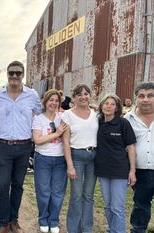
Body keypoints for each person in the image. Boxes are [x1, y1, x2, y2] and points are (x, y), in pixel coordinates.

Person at [0, 60, 42, 233]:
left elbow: (42, 115)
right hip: (3, 147)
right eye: (11, 73)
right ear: (7, 74)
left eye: (18, 73)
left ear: (23, 75)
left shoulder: (32, 95)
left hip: (24, 147)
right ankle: (3, 222)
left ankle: (14, 221)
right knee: (3, 185)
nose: (14, 76)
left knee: (18, 185)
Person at [125, 81, 154, 233]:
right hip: (139, 172)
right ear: (136, 98)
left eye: (150, 95)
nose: (145, 99)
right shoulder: (127, 119)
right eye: (141, 96)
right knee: (140, 206)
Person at [94, 94, 137, 233]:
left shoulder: (123, 123)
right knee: (107, 205)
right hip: (103, 170)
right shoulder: (98, 122)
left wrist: (132, 171)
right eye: (106, 103)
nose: (108, 106)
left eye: (112, 104)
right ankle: (112, 229)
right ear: (101, 105)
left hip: (120, 170)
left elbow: (131, 147)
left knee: (117, 207)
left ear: (117, 107)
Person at [61, 84, 98, 233]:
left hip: (93, 156)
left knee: (89, 195)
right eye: (79, 94)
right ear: (74, 98)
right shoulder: (67, 115)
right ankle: (73, 229)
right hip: (76, 156)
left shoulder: (96, 114)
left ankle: (87, 228)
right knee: (76, 195)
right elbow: (65, 141)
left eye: (86, 94)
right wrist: (70, 165)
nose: (83, 97)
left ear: (90, 95)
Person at [32, 89, 68, 233]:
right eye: (50, 100)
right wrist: (57, 133)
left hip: (60, 159)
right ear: (45, 102)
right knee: (43, 191)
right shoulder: (38, 119)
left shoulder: (64, 117)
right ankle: (43, 219)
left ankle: (54, 220)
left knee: (58, 192)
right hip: (43, 159)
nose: (53, 103)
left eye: (56, 101)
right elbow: (38, 140)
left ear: (59, 103)